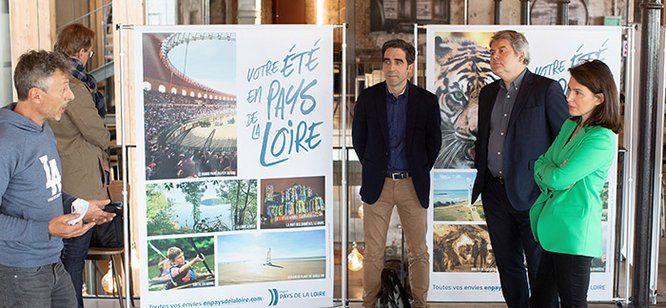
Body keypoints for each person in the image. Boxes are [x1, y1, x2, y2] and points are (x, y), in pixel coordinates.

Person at [0, 50, 112, 307]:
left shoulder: (43, 129)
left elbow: (45, 190)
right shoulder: (6, 142)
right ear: (36, 95)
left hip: (52, 262)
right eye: (63, 89)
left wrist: (79, 205)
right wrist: (46, 229)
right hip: (19, 271)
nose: (70, 96)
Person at [471, 30, 569, 307]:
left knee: (539, 265)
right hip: (494, 191)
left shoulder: (545, 89)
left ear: (521, 55)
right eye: (492, 52)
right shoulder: (489, 93)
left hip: (533, 194)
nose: (494, 56)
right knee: (508, 264)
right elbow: (486, 138)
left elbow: (564, 140)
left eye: (501, 50)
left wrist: (551, 184)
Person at [352, 38, 441, 308]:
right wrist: (374, 166)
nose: (392, 67)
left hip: (411, 184)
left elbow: (433, 143)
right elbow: (359, 139)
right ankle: (368, 304)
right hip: (378, 184)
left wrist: (417, 170)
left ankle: (420, 304)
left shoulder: (426, 101)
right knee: (373, 253)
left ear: (410, 68)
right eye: (387, 61)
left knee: (418, 252)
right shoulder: (368, 97)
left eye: (398, 62)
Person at [529, 60, 621, 307]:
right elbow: (541, 162)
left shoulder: (602, 138)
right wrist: (551, 171)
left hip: (574, 233)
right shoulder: (571, 125)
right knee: (540, 301)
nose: (569, 97)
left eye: (578, 92)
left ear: (599, 99)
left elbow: (558, 178)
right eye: (569, 89)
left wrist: (551, 172)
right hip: (552, 226)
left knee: (572, 302)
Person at [52, 23, 113, 308]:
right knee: (73, 261)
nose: (90, 57)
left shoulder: (52, 78)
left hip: (62, 179)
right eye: (89, 51)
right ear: (81, 51)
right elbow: (96, 130)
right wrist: (106, 141)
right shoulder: (73, 85)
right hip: (80, 184)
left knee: (64, 261)